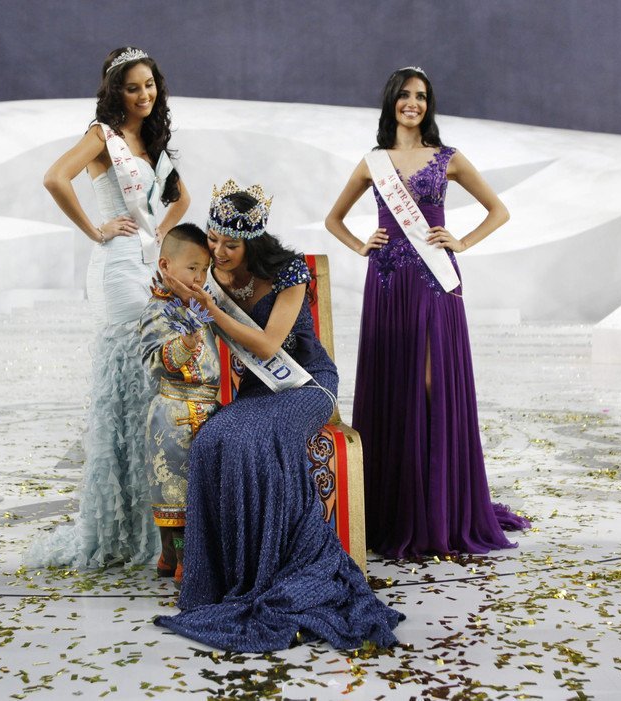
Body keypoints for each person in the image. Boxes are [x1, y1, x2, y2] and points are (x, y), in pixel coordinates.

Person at [155, 180, 402, 652]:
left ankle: (275, 567)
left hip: (304, 385)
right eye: (213, 239)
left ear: (253, 242)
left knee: (255, 439)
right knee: (212, 439)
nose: (218, 252)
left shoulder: (290, 271)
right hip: (256, 391)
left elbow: (269, 346)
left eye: (231, 245)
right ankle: (223, 577)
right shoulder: (209, 272)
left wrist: (210, 308)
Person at [324, 66, 530, 558]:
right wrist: (361, 245)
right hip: (388, 282)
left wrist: (463, 241)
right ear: (391, 102)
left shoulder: (448, 157)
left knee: (434, 383)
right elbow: (334, 219)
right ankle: (396, 507)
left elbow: (498, 211)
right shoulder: (373, 162)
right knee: (395, 383)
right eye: (404, 95)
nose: (412, 103)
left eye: (420, 96)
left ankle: (440, 506)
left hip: (436, 281)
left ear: (428, 104)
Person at [26, 46, 189, 569]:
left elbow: (181, 199)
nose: (144, 95)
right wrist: (95, 229)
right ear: (115, 91)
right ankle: (123, 528)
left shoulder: (153, 139)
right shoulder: (103, 136)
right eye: (133, 87)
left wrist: (160, 235)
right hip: (117, 269)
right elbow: (55, 178)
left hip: (147, 263)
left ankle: (157, 524)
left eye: (149, 85)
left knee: (152, 390)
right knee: (130, 385)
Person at [138, 224, 221, 585]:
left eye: (204, 269)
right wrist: (185, 344)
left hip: (203, 409)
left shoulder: (196, 303)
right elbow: (154, 359)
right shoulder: (157, 310)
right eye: (192, 268)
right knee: (174, 493)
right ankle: (184, 563)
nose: (199, 277)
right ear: (165, 265)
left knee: (190, 491)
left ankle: (170, 558)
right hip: (173, 412)